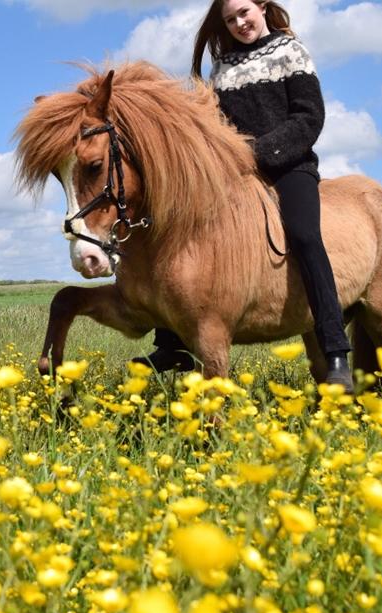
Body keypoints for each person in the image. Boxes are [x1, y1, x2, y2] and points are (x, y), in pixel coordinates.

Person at [132, 0, 353, 387]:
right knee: (184, 230)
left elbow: (308, 118)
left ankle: (334, 351)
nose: (239, 23)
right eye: (230, 19)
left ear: (262, 7)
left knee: (305, 235)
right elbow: (217, 126)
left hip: (290, 166)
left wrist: (258, 153)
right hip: (237, 173)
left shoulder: (290, 52)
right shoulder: (223, 69)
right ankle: (172, 343)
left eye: (244, 13)